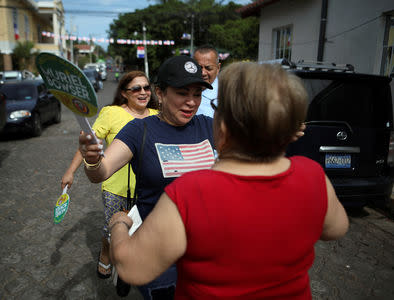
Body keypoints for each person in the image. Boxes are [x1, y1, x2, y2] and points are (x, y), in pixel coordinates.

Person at [107, 62, 349, 299]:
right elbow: (337, 228)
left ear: (224, 123)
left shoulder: (190, 192)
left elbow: (132, 268)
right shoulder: (313, 175)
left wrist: (119, 225)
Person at [78, 55, 214, 299]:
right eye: (183, 93)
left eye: (197, 93)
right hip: (159, 255)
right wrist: (91, 159)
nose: (192, 102)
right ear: (159, 93)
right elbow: (101, 172)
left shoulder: (210, 126)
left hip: (206, 252)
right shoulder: (139, 130)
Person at [61, 71, 158, 279]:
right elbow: (89, 146)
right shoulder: (111, 113)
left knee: (143, 229)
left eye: (146, 88)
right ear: (124, 93)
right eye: (136, 88)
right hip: (115, 187)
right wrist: (70, 172)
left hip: (147, 187)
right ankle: (106, 253)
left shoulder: (157, 115)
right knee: (113, 229)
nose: (143, 92)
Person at [193, 45, 220, 118]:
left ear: (218, 68)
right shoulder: (180, 88)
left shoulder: (225, 95)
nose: (203, 73)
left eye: (208, 68)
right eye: (199, 68)